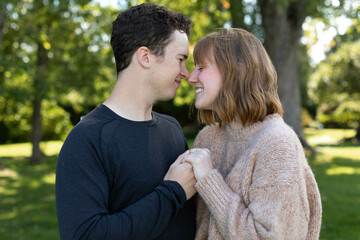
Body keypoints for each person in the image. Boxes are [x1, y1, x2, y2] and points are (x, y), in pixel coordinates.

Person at [56, 3, 197, 240]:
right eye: (180, 59)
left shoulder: (172, 129)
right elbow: (86, 235)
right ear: (145, 57)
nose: (186, 73)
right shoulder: (87, 140)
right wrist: (172, 192)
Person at [184, 28, 322, 239]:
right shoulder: (207, 138)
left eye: (201, 67)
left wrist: (210, 181)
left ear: (235, 71)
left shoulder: (277, 144)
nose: (191, 78)